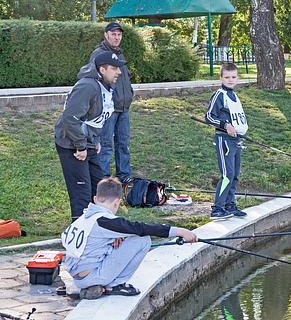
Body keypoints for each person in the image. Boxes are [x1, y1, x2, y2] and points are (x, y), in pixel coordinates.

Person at [62, 177, 198, 300]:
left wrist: (115, 237)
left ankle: (96, 286)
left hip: (77, 277)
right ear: (117, 203)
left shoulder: (84, 218)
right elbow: (140, 228)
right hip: (92, 276)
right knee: (143, 239)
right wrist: (179, 231)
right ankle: (115, 285)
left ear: (95, 199)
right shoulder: (106, 221)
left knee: (119, 240)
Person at [55, 51, 124, 222]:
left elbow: (94, 118)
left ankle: (100, 226)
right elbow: (70, 118)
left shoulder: (104, 86)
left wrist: (95, 140)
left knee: (99, 189)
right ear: (102, 69)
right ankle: (79, 233)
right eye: (114, 68)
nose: (119, 72)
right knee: (82, 192)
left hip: (88, 143)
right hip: (71, 143)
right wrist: (81, 146)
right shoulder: (88, 86)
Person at [78, 22, 133, 184]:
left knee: (123, 143)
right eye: (113, 34)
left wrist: (129, 94)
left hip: (124, 107)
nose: (117, 37)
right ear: (106, 35)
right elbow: (91, 78)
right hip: (108, 109)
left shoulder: (120, 54)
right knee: (105, 144)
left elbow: (124, 78)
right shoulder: (99, 54)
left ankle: (124, 174)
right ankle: (103, 177)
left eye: (119, 34)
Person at [205, 63, 248, 220]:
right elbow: (209, 116)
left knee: (235, 175)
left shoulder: (234, 96)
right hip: (224, 140)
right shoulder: (220, 95)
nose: (230, 80)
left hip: (236, 141)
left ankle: (230, 204)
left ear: (238, 78)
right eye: (227, 77)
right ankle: (217, 208)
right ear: (221, 78)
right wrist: (225, 125)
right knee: (227, 175)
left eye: (233, 77)